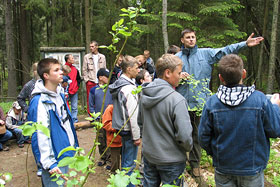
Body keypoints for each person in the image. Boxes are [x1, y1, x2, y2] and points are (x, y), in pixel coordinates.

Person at [175, 28, 264, 177]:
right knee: (180, 134)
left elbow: (226, 50)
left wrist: (245, 44)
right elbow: (167, 76)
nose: (191, 39)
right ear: (182, 40)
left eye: (193, 37)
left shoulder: (206, 54)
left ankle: (195, 164)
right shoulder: (177, 58)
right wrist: (179, 78)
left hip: (199, 103)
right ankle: (180, 163)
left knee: (197, 134)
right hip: (181, 103)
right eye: (188, 37)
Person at [198, 54, 280, 187]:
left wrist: (216, 153)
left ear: (220, 77)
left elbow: (203, 138)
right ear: (243, 74)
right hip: (251, 166)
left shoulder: (212, 103)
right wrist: (275, 106)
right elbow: (275, 130)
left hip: (224, 165)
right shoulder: (260, 99)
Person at [138, 54, 193, 186]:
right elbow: (185, 136)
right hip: (172, 160)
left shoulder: (144, 94)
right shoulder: (177, 100)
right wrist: (187, 148)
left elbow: (140, 123)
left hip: (149, 156)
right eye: (178, 72)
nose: (180, 76)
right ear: (168, 73)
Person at [27, 58, 79, 186]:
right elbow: (39, 135)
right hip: (53, 160)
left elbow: (66, 124)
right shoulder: (40, 101)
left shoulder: (59, 94)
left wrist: (73, 146)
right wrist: (49, 163)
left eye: (60, 69)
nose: (61, 72)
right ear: (46, 75)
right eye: (56, 70)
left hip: (63, 153)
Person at [109, 55, 140, 187]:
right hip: (129, 130)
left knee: (126, 161)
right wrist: (137, 136)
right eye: (137, 67)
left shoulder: (119, 83)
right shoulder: (128, 88)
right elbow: (133, 114)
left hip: (121, 128)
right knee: (129, 164)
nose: (139, 70)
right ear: (129, 69)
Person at [89, 68, 113, 166]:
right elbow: (91, 105)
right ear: (100, 78)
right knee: (100, 138)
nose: (108, 78)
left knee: (109, 138)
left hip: (109, 119)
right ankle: (102, 157)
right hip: (99, 118)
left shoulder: (111, 88)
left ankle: (110, 159)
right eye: (106, 76)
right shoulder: (94, 90)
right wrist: (94, 117)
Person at [83, 41, 106, 114]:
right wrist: (87, 80)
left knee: (100, 98)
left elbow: (104, 69)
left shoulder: (102, 57)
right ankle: (91, 115)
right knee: (90, 99)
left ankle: (100, 114)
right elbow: (84, 69)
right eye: (90, 46)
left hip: (100, 81)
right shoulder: (87, 57)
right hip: (91, 81)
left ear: (97, 47)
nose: (91, 48)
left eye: (92, 46)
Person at [102, 104, 122, 174]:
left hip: (125, 139)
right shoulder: (111, 108)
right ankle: (114, 176)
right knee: (115, 162)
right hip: (114, 140)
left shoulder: (128, 106)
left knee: (126, 161)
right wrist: (118, 128)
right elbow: (106, 124)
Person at [65, 54, 81, 123]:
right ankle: (67, 119)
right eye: (72, 58)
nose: (73, 59)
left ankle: (74, 119)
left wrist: (77, 86)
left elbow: (78, 78)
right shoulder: (63, 69)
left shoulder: (75, 69)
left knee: (74, 107)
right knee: (66, 106)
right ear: (68, 60)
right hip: (66, 91)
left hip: (74, 90)